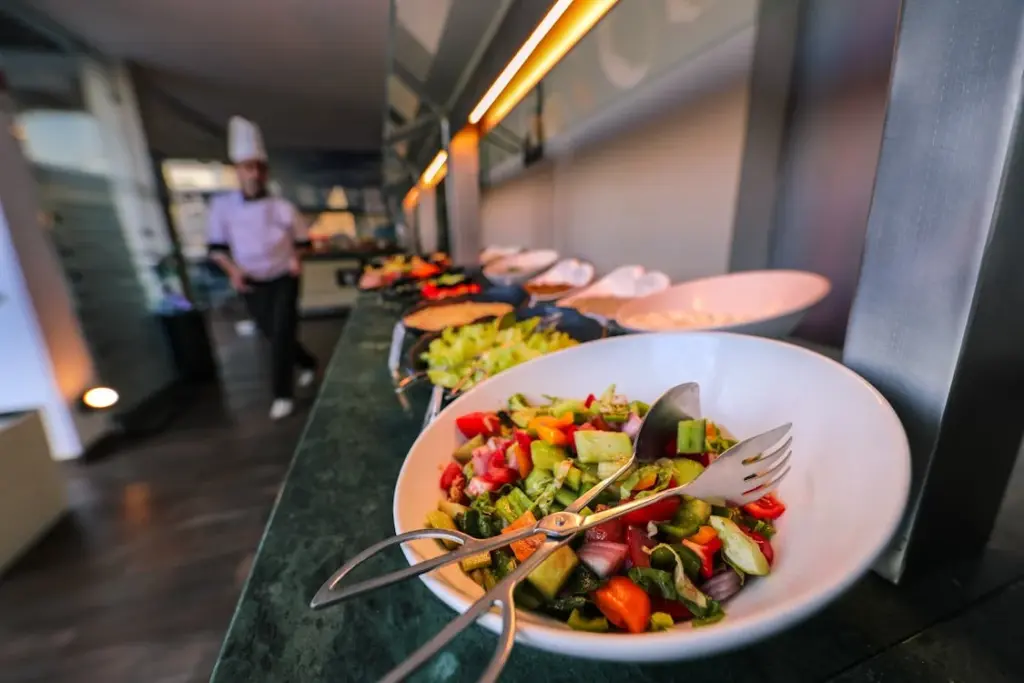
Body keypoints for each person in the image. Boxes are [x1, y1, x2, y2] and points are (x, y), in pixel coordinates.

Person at [207, 116, 317, 420]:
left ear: (265, 171)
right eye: (247, 167)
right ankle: (307, 362)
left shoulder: (282, 207)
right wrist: (233, 271)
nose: (254, 173)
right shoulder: (223, 207)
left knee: (282, 331)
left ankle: (282, 393)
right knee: (271, 333)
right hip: (251, 281)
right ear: (238, 170)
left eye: (258, 167)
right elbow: (216, 249)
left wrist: (296, 258)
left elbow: (303, 241)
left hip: (284, 276)